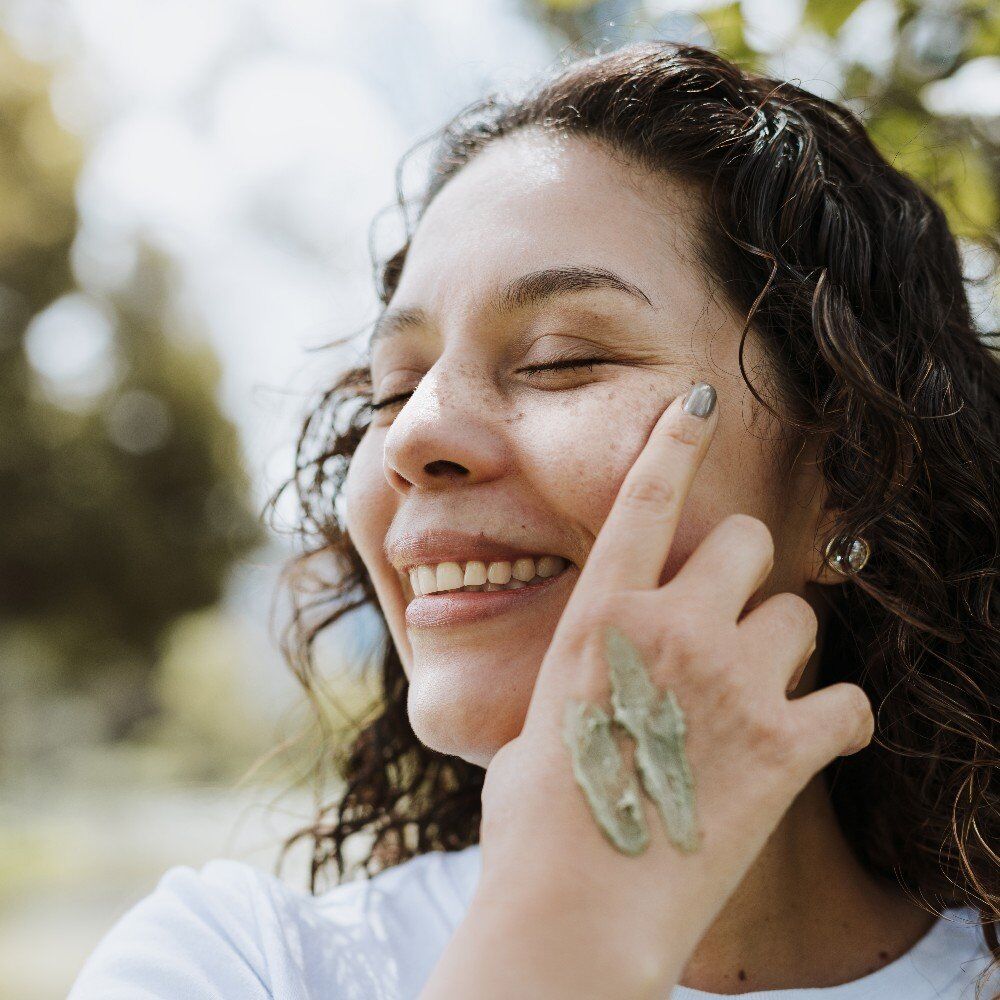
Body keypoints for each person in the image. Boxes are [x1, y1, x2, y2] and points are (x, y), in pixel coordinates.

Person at [68, 41, 999, 999]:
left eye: (559, 359)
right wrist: (574, 920)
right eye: (392, 388)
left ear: (851, 473)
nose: (414, 432)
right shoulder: (234, 964)